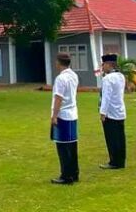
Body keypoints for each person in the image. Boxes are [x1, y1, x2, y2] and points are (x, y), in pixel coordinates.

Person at [50, 53, 79, 185]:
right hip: (73, 113)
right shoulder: (73, 76)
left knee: (62, 147)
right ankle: (74, 172)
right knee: (72, 146)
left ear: (59, 63)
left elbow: (58, 98)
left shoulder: (61, 79)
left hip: (63, 114)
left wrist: (54, 115)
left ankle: (66, 175)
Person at [99, 54, 126, 170]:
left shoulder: (107, 79)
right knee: (120, 137)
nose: (102, 67)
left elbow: (106, 97)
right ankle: (121, 160)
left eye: (103, 64)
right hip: (119, 110)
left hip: (110, 112)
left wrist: (102, 112)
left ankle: (114, 161)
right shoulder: (121, 76)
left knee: (111, 138)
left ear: (109, 64)